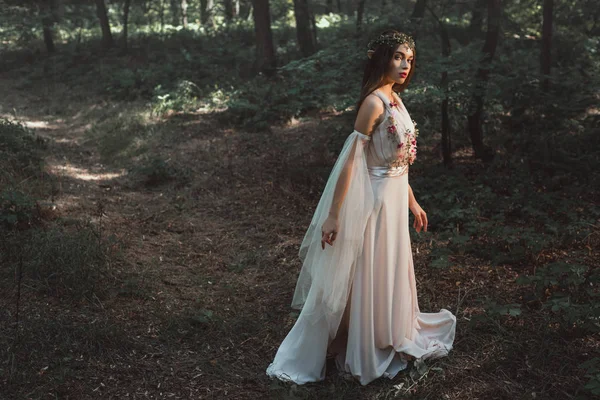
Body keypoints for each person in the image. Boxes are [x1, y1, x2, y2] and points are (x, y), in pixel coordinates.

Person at [266, 30, 457, 386]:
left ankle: (389, 329)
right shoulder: (374, 103)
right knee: (371, 267)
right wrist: (334, 215)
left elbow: (400, 161)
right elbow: (352, 163)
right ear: (382, 58)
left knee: (390, 265)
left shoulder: (396, 99)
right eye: (399, 57)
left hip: (397, 197)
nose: (405, 65)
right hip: (376, 201)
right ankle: (362, 341)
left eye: (410, 60)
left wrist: (413, 202)